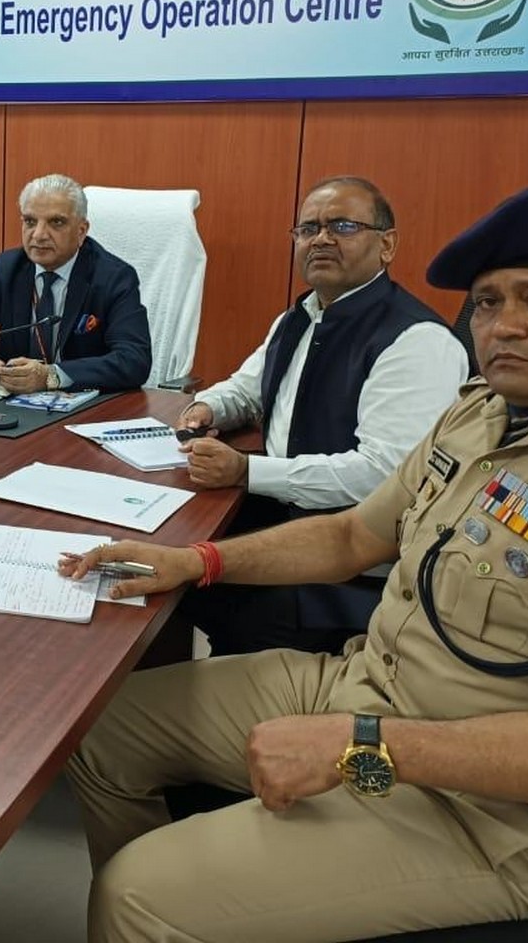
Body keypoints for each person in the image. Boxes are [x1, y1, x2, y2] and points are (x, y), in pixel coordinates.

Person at [59, 173, 528, 943]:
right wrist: (194, 562)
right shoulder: (482, 415)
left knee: (136, 896)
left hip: (492, 815)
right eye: (488, 302)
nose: (504, 326)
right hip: (367, 689)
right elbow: (350, 537)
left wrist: (365, 743)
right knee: (98, 733)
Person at [175, 176, 470, 654]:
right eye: (309, 228)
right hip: (282, 520)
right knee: (166, 568)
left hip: (353, 569)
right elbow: (248, 389)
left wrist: (246, 470)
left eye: (343, 226)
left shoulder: (416, 341)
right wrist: (206, 407)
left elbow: (382, 477)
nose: (322, 239)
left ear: (387, 245)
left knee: (189, 588)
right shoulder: (299, 317)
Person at [0, 174, 151, 394]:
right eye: (30, 221)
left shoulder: (113, 278)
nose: (38, 235)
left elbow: (134, 360)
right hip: (9, 407)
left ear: (81, 231)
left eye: (56, 222)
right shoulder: (5, 270)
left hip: (84, 404)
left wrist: (51, 375)